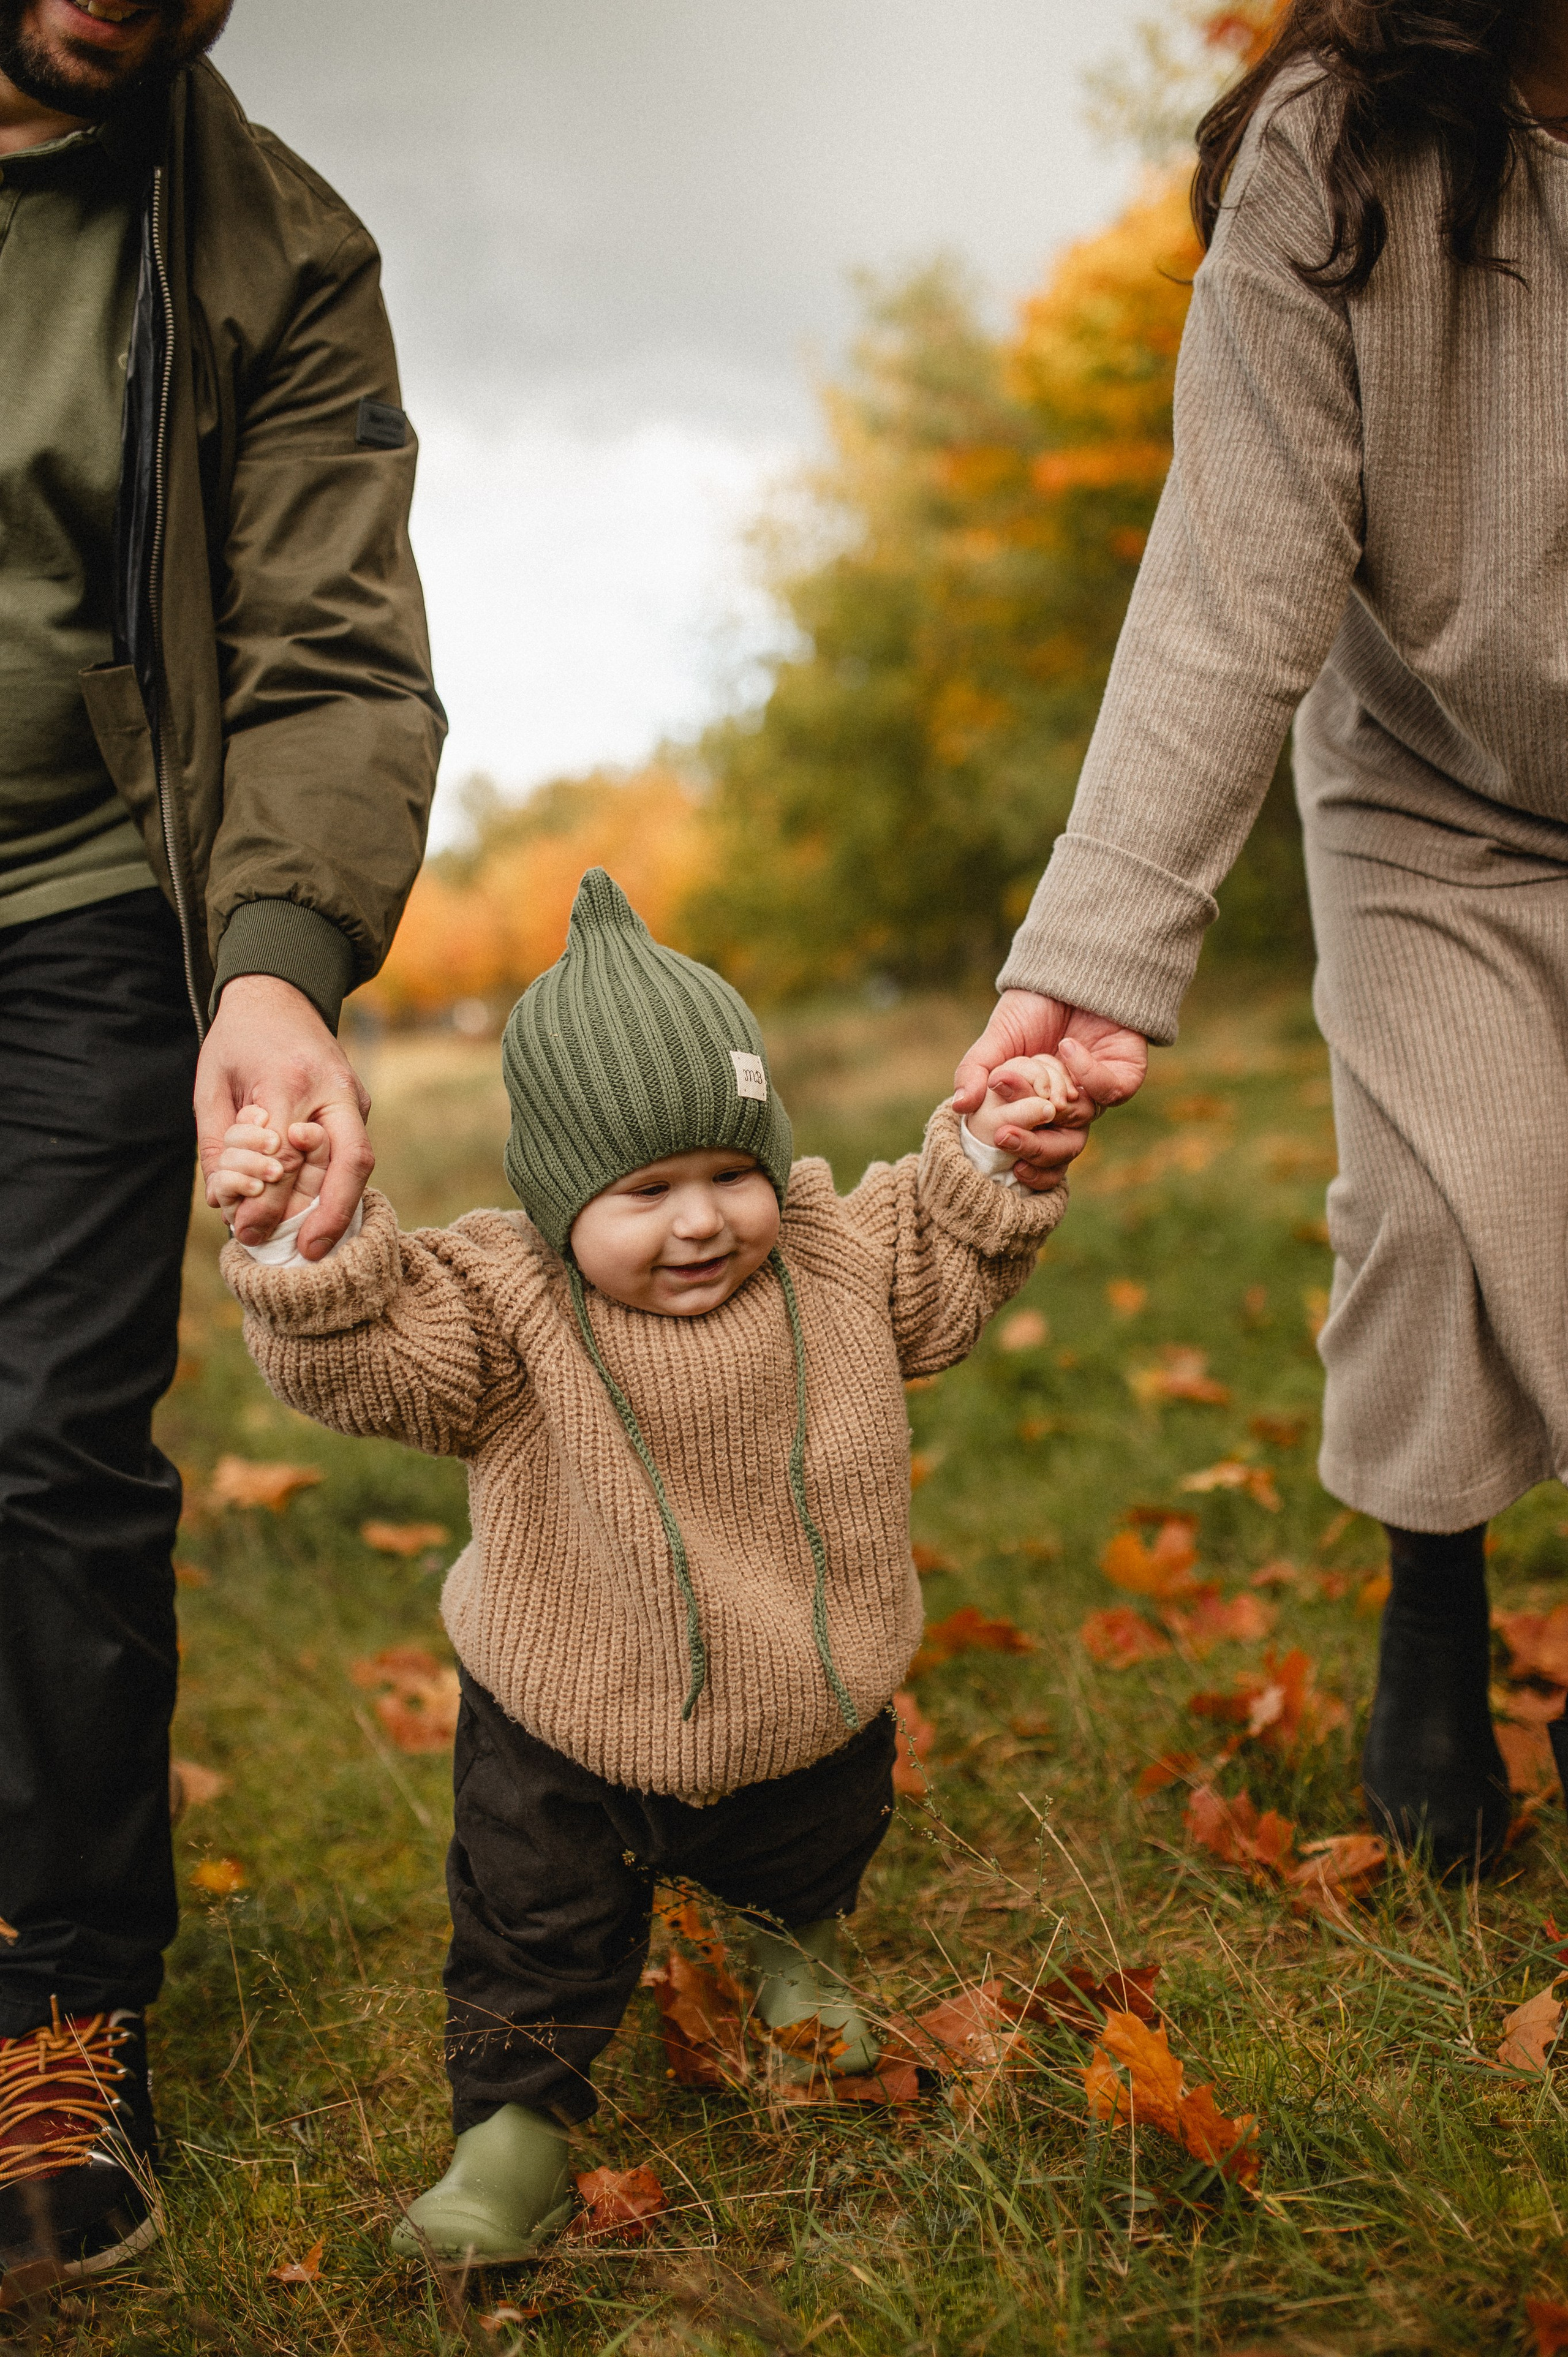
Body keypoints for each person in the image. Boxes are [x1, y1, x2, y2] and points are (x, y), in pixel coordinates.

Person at [211, 869, 1083, 2264]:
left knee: (810, 1831)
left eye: (730, 1172)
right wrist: (295, 1242)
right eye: (645, 1189)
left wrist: (997, 1152)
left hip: (799, 1683)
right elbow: (369, 1359)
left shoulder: (828, 1258)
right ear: (559, 1198)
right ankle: (512, 2131)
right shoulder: (500, 1307)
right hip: (563, 1711)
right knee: (532, 1922)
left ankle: (795, 1953)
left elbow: (938, 1247)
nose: (699, 1220)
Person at [953, 0, 1568, 1876]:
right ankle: (1434, 1610)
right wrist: (1098, 946)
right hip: (1438, 789)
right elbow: (1238, 567)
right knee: (1439, 1195)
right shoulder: (1338, 145)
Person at [0, 0, 442, 2292]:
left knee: (48, 1443)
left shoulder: (275, 251)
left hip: (76, 904)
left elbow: (334, 651)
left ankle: (59, 2003)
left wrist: (272, 964)